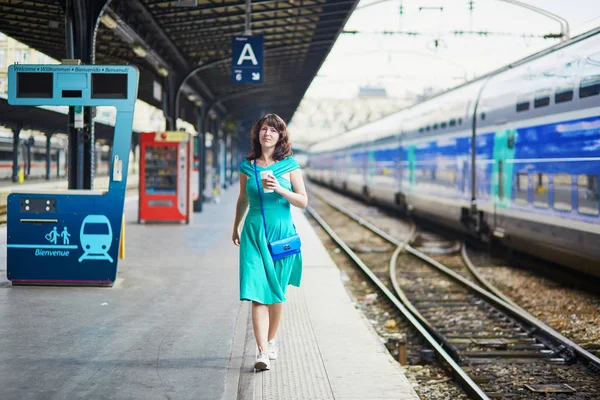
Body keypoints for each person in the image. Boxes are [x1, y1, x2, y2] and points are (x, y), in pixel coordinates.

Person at [232, 113, 308, 371]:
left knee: (276, 294)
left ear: (280, 136)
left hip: (281, 235)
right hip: (253, 233)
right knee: (257, 293)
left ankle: (271, 340)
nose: (268, 134)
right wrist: (236, 225)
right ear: (258, 134)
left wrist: (280, 189)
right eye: (264, 129)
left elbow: (302, 200)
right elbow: (243, 198)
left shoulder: (290, 165)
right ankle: (262, 351)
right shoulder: (247, 166)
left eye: (273, 131)